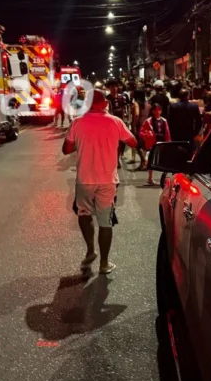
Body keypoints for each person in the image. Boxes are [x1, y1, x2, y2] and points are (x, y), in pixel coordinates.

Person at [62, 90, 138, 274]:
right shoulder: (115, 122)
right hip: (107, 180)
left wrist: (83, 142)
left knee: (84, 214)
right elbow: (133, 142)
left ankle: (90, 250)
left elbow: (66, 149)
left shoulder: (77, 123)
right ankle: (104, 263)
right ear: (105, 104)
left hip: (85, 179)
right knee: (106, 221)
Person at [139, 103, 170, 185]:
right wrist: (148, 135)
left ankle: (164, 177)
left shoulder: (164, 121)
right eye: (156, 110)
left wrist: (168, 142)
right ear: (152, 111)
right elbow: (141, 132)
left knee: (163, 160)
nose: (158, 111)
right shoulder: (148, 121)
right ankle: (150, 177)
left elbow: (167, 133)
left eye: (159, 110)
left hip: (162, 142)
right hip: (153, 142)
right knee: (151, 160)